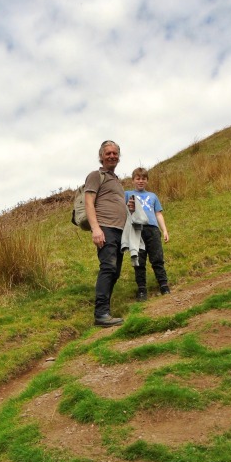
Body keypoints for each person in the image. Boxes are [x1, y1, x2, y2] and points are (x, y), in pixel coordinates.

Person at [85, 140, 132, 327]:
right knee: (108, 268)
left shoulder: (116, 181)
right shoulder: (96, 175)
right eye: (108, 153)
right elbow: (89, 202)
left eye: (115, 153)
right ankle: (101, 314)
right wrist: (96, 228)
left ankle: (105, 312)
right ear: (101, 156)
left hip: (121, 231)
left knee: (115, 272)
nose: (112, 156)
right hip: (105, 228)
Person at [125, 167, 170, 300]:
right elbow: (122, 210)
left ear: (147, 181)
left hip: (153, 230)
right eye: (138, 178)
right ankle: (142, 290)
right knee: (139, 260)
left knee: (157, 258)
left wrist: (165, 230)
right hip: (136, 230)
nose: (141, 181)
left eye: (143, 179)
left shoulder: (152, 196)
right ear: (133, 180)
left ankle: (163, 285)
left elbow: (158, 213)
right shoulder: (127, 194)